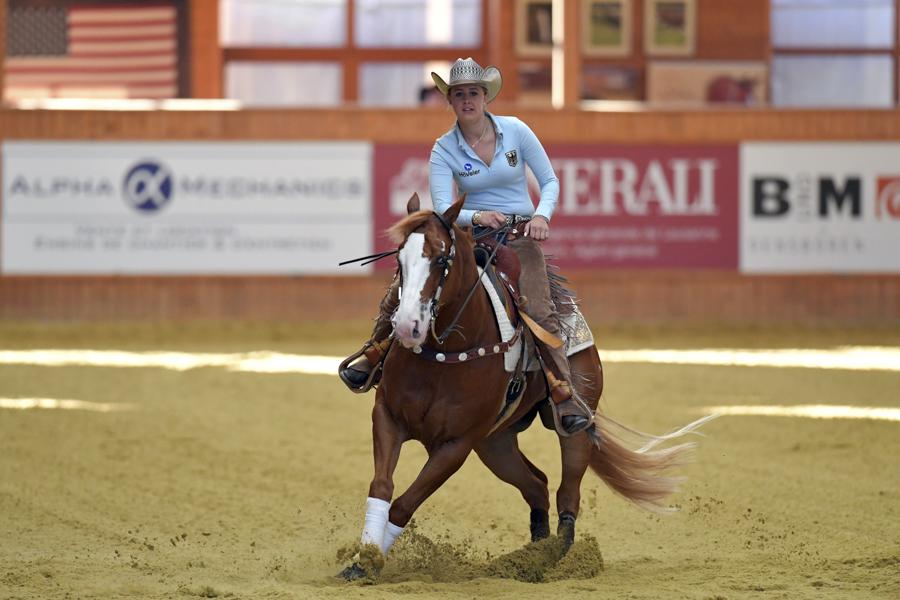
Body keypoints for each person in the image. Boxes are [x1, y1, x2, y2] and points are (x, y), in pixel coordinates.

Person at [339, 58, 594, 437]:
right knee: (413, 280)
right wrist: (476, 218)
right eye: (459, 94)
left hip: (520, 238)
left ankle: (562, 391)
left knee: (539, 306)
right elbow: (443, 208)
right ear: (450, 101)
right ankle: (376, 349)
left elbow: (550, 181)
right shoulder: (443, 148)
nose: (467, 100)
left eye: (473, 93)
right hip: (469, 236)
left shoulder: (517, 131)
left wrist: (541, 216)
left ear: (485, 96)